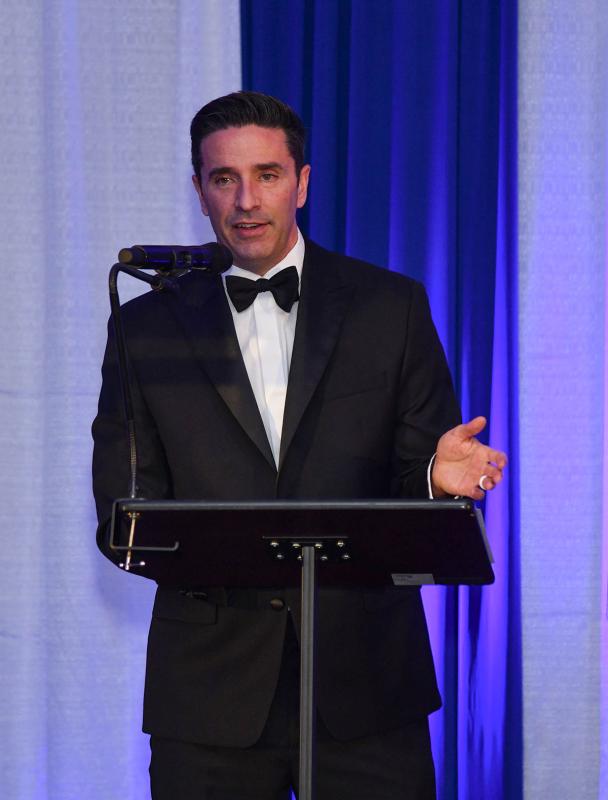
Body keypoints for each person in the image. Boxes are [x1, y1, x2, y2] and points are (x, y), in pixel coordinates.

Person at [92, 91, 506, 800]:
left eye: (268, 175)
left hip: (368, 687)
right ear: (199, 190)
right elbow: (123, 516)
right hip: (209, 694)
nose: (246, 200)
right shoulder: (144, 329)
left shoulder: (391, 308)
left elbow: (417, 494)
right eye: (224, 178)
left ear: (303, 183)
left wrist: (433, 484)